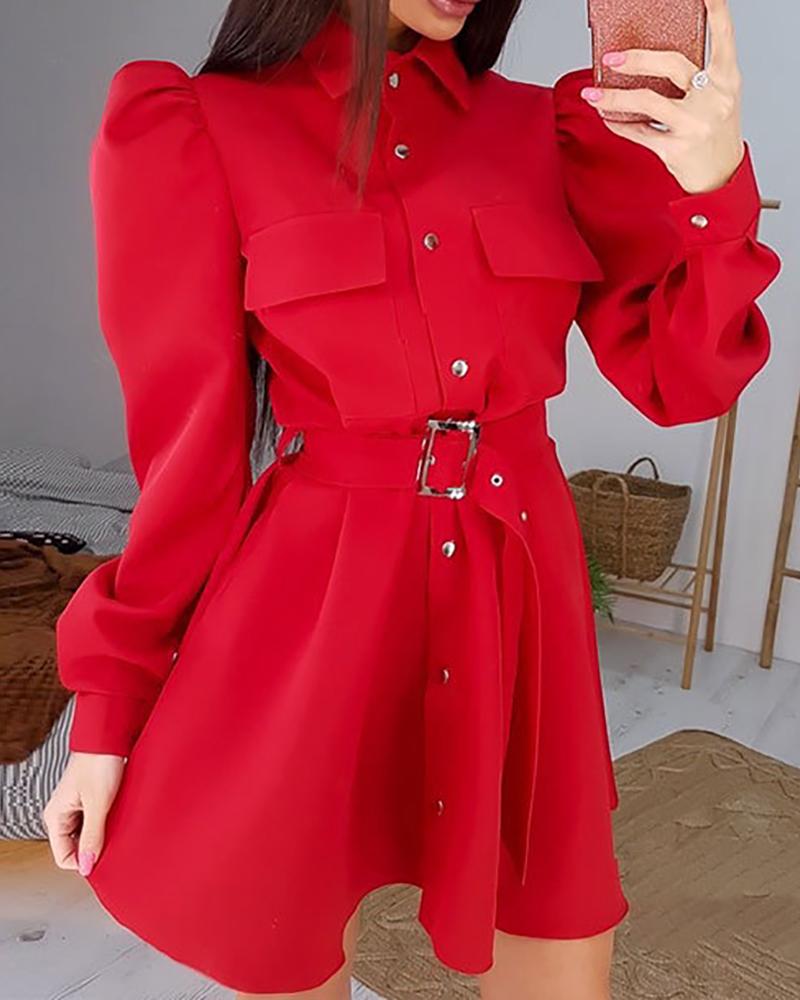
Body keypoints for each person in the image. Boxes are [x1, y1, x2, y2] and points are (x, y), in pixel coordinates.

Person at [44, 0, 781, 997]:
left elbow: (681, 382)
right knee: (288, 932)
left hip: (517, 590)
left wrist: (712, 192)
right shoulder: (197, 126)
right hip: (313, 599)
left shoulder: (548, 129)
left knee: (554, 928)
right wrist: (107, 713)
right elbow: (188, 459)